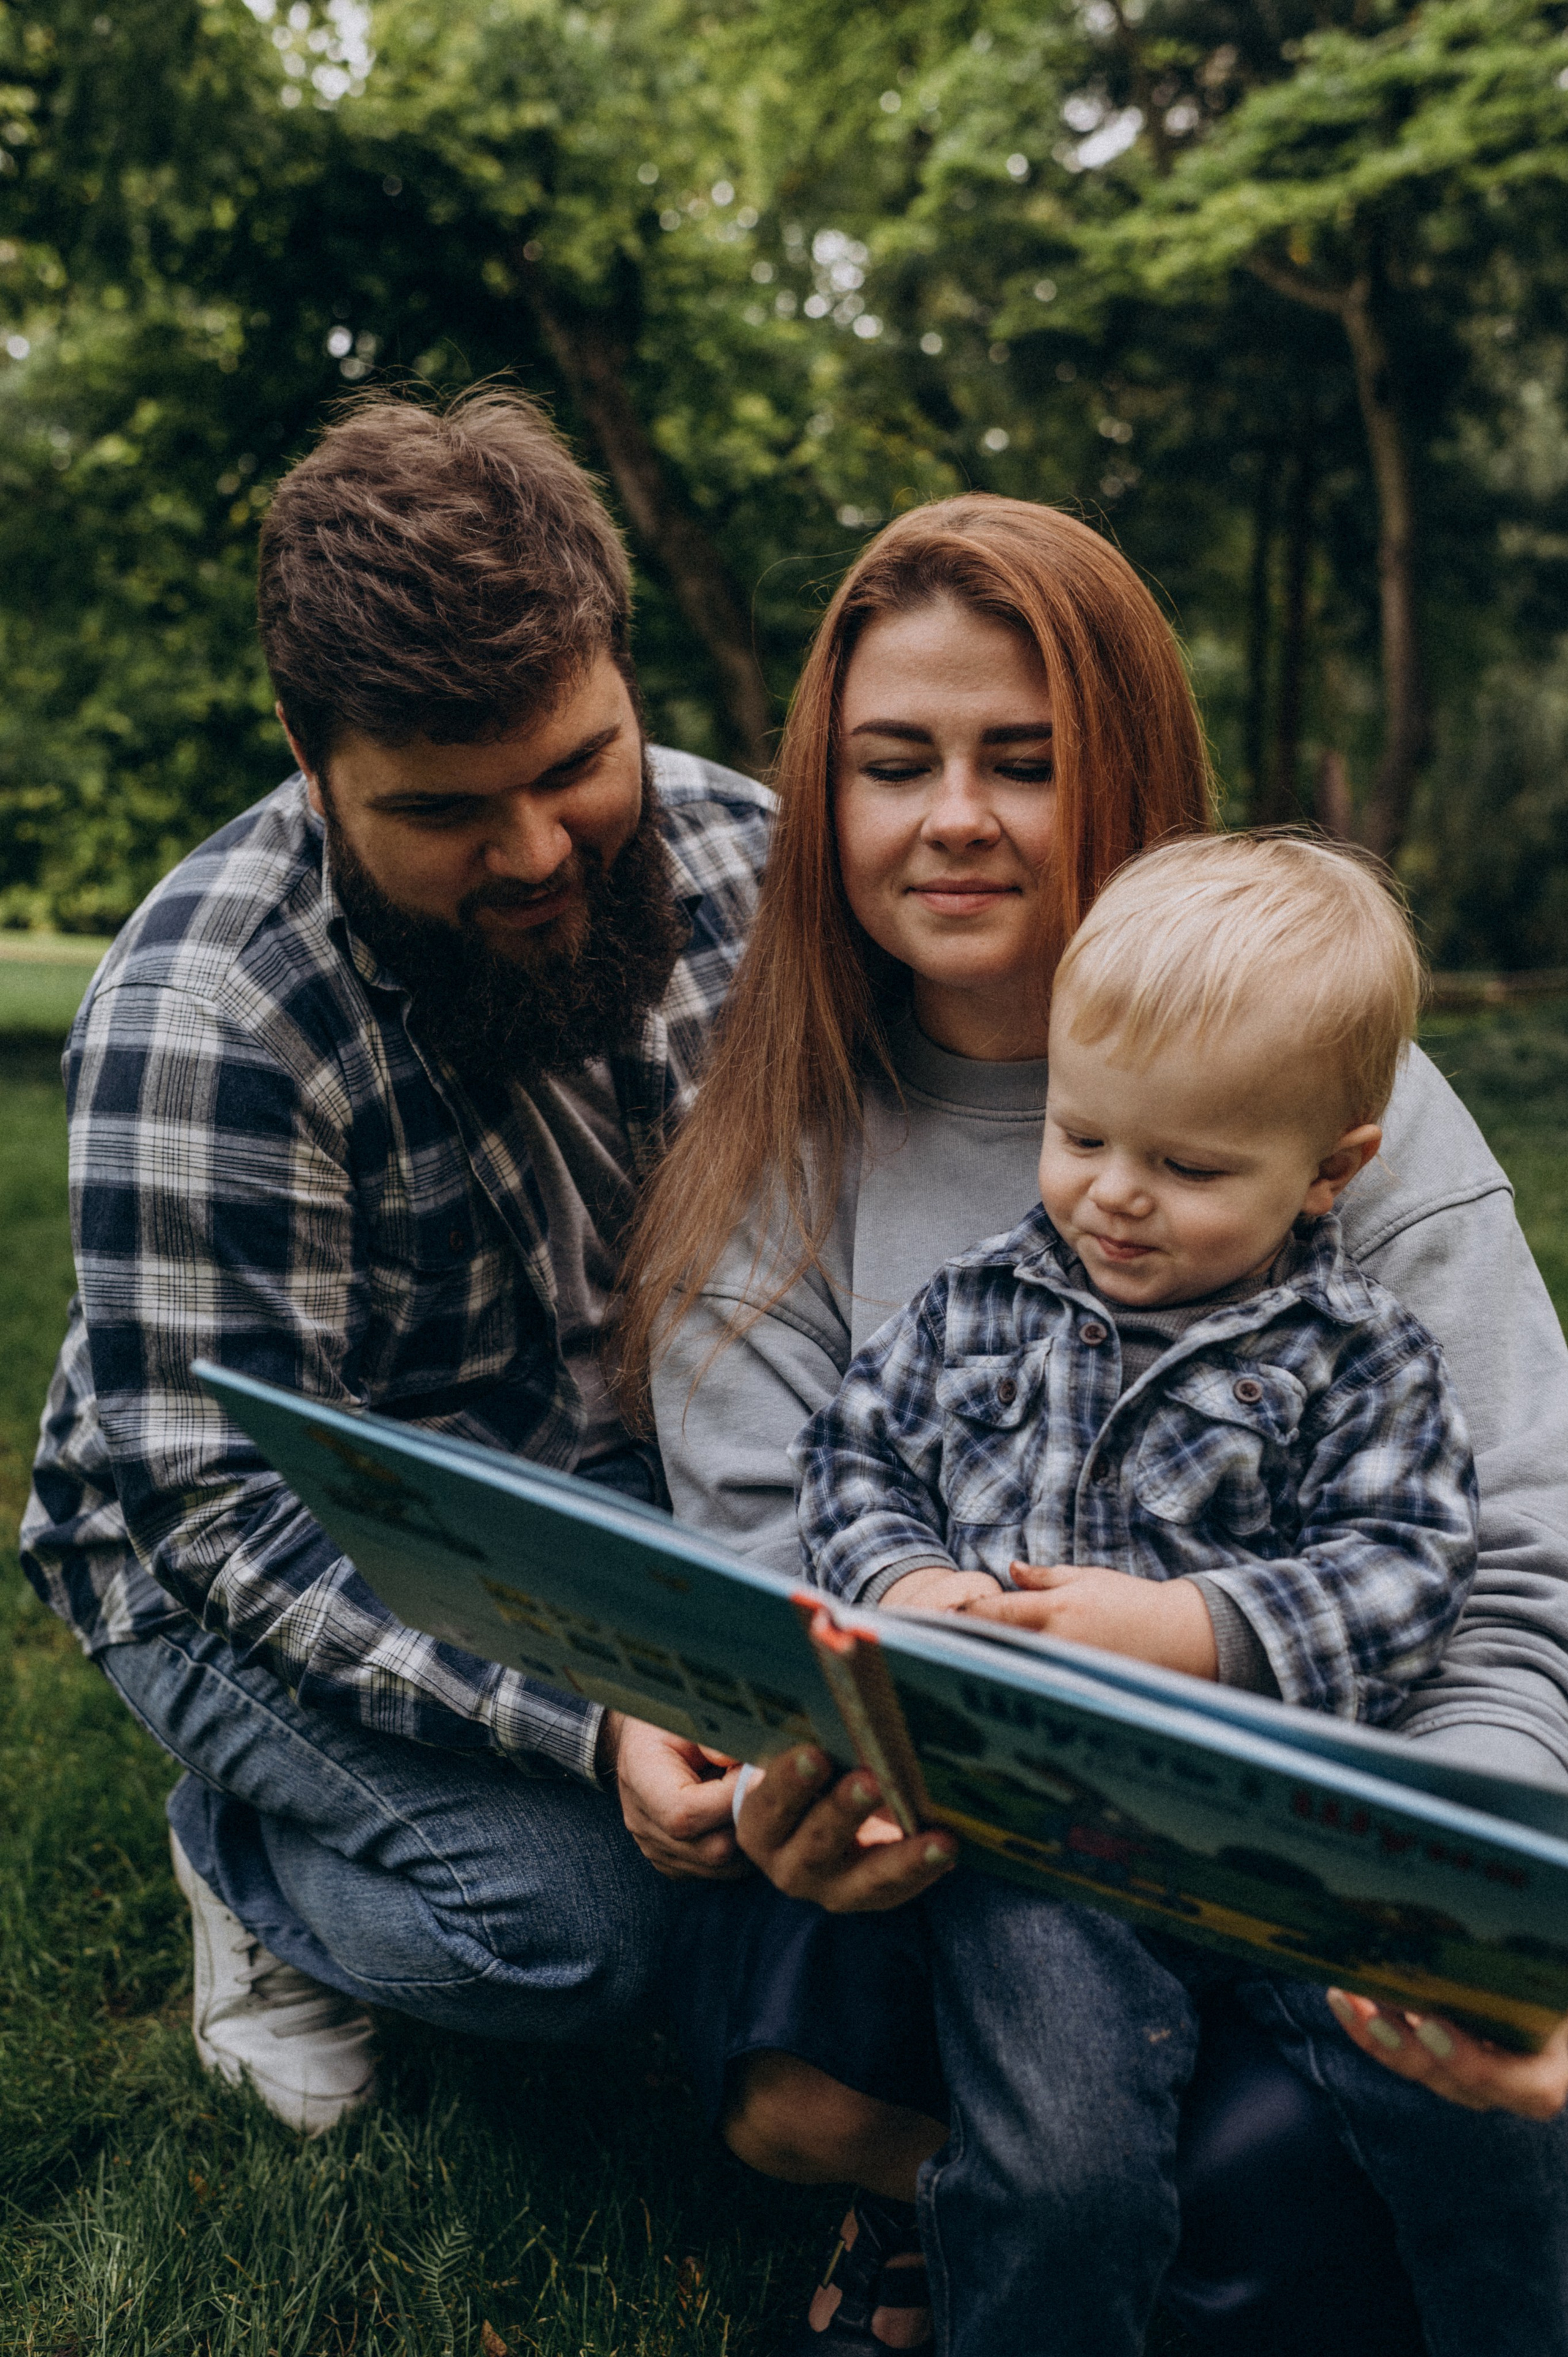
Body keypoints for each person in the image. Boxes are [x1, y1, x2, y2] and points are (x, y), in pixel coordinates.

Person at [615, 496, 1568, 2356]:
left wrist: (1472, 1912)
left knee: (1417, 2134)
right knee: (1005, 2134)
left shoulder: (1330, 1087)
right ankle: (999, 2203)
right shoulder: (785, 1149)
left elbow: (1494, 1572)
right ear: (827, 798)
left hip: (1308, 1805)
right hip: (970, 1863)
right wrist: (823, 1746)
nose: (954, 814)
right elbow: (789, 1569)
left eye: (1023, 763)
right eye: (897, 765)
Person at [19, 388, 774, 2133]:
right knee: (577, 1938)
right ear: (309, 752)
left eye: (577, 764)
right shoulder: (208, 1020)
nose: (535, 853)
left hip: (598, 1486)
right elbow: (228, 1511)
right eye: (444, 811)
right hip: (256, 1546)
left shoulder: (757, 861)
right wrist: (593, 1730)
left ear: (620, 665)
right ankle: (246, 1848)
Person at [794, 829, 1479, 1728]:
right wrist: (904, 1582)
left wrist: (1194, 1630)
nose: (1115, 1195)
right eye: (1080, 1138)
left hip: (1218, 1801)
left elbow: (1410, 1565)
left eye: (1188, 1169)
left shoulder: (1360, 1363)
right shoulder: (973, 1308)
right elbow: (852, 1457)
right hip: (988, 1767)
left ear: (1329, 1173)